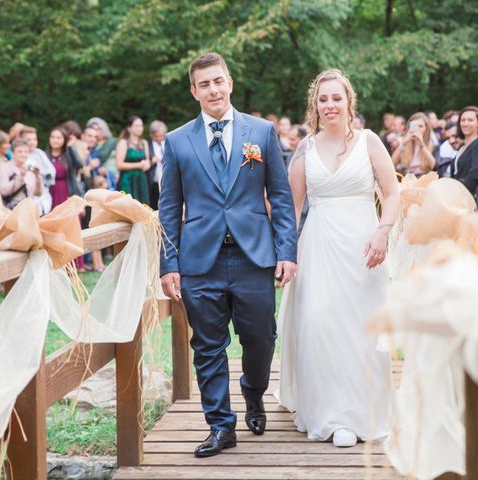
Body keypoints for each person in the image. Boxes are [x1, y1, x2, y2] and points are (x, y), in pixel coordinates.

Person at [159, 52, 297, 457]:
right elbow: (168, 208)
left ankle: (254, 392)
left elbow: (282, 198)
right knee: (208, 346)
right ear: (194, 91)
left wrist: (286, 249)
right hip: (200, 260)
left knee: (261, 339)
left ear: (230, 83)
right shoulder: (177, 140)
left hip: (254, 256)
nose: (213, 89)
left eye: (218, 81)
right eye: (204, 84)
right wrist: (169, 262)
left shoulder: (262, 132)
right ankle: (221, 425)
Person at [279, 69, 399, 448]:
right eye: (323, 99)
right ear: (314, 105)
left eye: (336, 98)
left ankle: (363, 413)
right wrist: (285, 254)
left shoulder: (369, 142)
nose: (330, 105)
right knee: (319, 324)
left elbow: (392, 193)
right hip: (317, 245)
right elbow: (291, 209)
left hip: (365, 248)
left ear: (349, 101)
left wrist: (383, 232)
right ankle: (329, 414)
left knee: (361, 327)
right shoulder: (305, 149)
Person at [452, 106, 478, 206]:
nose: (465, 124)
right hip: (460, 198)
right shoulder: (462, 146)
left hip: (473, 199)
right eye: (463, 120)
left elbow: (475, 175)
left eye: (470, 120)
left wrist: (457, 195)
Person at [0, 139, 43, 209]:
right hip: (10, 210)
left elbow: (38, 193)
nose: (23, 154)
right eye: (19, 152)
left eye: (26, 152)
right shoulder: (4, 167)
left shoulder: (30, 169)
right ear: (12, 153)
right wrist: (20, 177)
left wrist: (38, 178)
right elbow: (3, 191)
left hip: (28, 210)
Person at [116, 116, 151, 205]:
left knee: (143, 205)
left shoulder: (144, 142)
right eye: (136, 126)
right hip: (127, 180)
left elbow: (147, 161)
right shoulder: (123, 143)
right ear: (129, 128)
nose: (139, 128)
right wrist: (139, 165)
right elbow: (119, 165)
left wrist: (147, 165)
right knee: (128, 206)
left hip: (141, 179)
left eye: (141, 125)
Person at [20, 126, 55, 215]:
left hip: (44, 194)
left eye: (34, 139)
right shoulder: (20, 156)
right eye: (29, 140)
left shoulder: (39, 153)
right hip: (27, 197)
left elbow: (51, 171)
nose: (32, 142)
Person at [391, 112, 438, 177]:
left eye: (421, 126)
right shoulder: (405, 144)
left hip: (425, 180)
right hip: (408, 180)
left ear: (426, 128)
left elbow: (435, 167)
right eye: (414, 126)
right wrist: (403, 143)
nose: (417, 129)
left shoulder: (432, 145)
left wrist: (422, 145)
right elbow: (391, 164)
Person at [147, 120, 167, 210]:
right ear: (151, 135)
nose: (159, 138)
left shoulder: (169, 143)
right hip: (153, 180)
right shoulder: (147, 145)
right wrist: (151, 161)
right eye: (156, 136)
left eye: (161, 136)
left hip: (167, 179)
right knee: (153, 205)